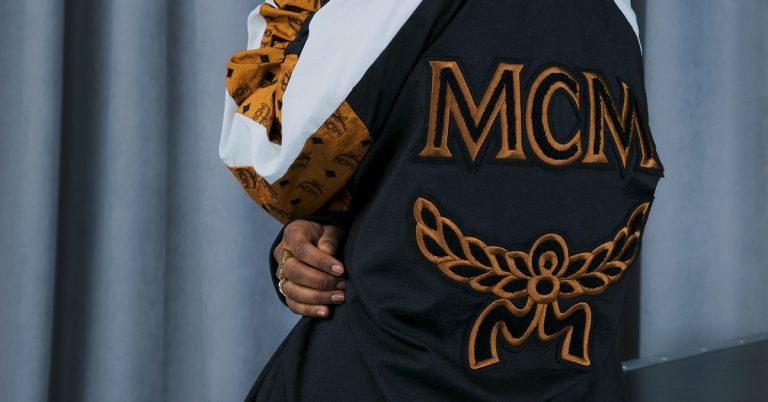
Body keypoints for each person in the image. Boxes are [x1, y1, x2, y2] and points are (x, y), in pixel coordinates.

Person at [219, 0, 665, 400]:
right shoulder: (617, 13)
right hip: (575, 381)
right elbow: (535, 189)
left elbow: (269, 158)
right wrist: (327, 231)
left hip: (390, 375)